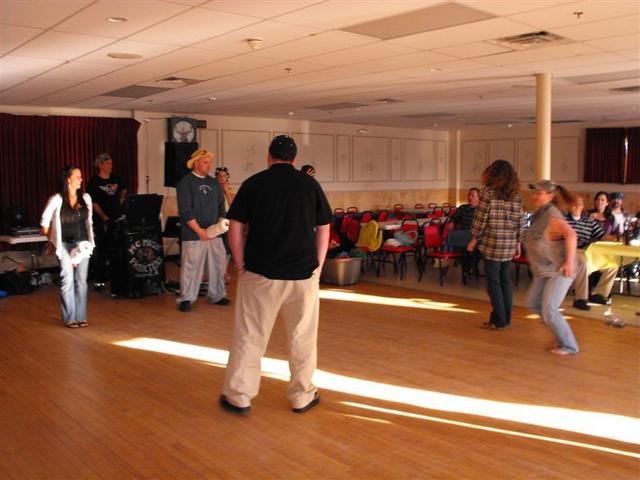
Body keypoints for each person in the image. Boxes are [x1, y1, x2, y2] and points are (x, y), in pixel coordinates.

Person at [220, 135, 332, 415]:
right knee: (302, 337)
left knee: (250, 335)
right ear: (294, 159)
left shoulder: (254, 183)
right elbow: (324, 227)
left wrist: (239, 263)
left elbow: (235, 226)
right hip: (303, 274)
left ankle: (239, 396)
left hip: (261, 273)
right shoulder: (310, 184)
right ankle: (302, 396)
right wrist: (318, 267)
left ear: (269, 157)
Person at [524, 180, 579, 355]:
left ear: (550, 195)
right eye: (535, 192)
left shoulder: (552, 216)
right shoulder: (540, 213)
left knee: (550, 310)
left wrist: (569, 262)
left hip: (559, 270)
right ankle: (560, 334)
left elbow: (571, 234)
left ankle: (569, 346)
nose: (535, 196)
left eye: (539, 193)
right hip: (544, 270)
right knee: (533, 303)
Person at [468, 160, 524, 329]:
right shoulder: (516, 195)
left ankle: (499, 320)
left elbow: (481, 219)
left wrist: (474, 239)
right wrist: (518, 243)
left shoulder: (488, 193)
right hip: (509, 244)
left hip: (492, 243)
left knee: (493, 283)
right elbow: (520, 221)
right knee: (505, 280)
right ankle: (506, 318)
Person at [176, 148, 230, 312]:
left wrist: (218, 226)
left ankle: (217, 295)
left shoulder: (214, 183)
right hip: (193, 234)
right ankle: (186, 298)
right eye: (205, 162)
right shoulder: (185, 183)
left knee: (218, 265)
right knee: (191, 267)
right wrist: (200, 232)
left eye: (210, 162)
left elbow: (221, 207)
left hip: (214, 233)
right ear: (196, 163)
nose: (209, 165)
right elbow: (185, 211)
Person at [40, 166, 95, 328]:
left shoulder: (86, 198)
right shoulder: (57, 199)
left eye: (81, 176)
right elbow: (44, 224)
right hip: (64, 244)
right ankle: (70, 317)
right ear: (68, 179)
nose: (81, 179)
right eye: (77, 176)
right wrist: (53, 241)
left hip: (83, 244)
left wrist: (86, 245)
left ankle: (81, 316)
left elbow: (89, 222)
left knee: (82, 280)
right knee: (67, 280)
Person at [566, 196, 616, 310]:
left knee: (612, 265)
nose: (575, 207)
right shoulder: (564, 219)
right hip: (570, 250)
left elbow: (602, 235)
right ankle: (580, 299)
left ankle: (599, 294)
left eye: (578, 204)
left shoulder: (588, 221)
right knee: (584, 263)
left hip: (586, 251)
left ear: (582, 206)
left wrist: (617, 238)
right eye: (572, 204)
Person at [87, 152, 127, 290]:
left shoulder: (116, 178)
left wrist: (121, 200)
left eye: (111, 163)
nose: (111, 165)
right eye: (108, 163)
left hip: (117, 218)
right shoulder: (94, 182)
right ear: (100, 165)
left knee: (118, 248)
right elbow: (93, 202)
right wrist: (104, 218)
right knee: (102, 250)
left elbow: (124, 188)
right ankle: (100, 280)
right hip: (101, 220)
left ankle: (117, 277)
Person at [215, 166, 235, 283]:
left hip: (227, 220)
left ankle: (224, 271)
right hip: (215, 219)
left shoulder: (230, 189)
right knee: (217, 247)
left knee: (226, 247)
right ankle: (217, 273)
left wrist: (226, 191)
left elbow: (233, 206)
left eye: (224, 176)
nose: (222, 178)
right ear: (216, 177)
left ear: (227, 177)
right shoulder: (213, 189)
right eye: (220, 176)